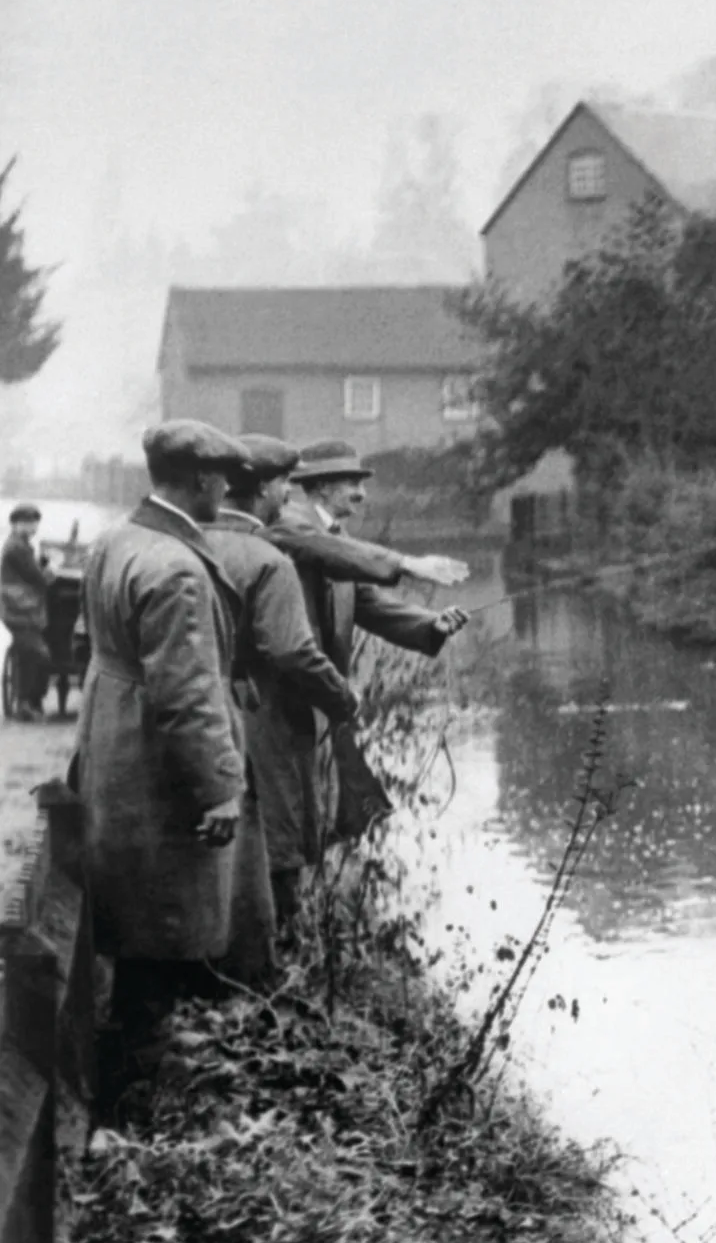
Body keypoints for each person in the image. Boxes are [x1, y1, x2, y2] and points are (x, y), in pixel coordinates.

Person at [77, 422, 252, 1118]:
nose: (228, 490)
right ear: (202, 480)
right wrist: (219, 787)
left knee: (133, 927)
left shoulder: (115, 539)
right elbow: (187, 693)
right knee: (159, 932)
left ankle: (123, 1085)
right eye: (223, 478)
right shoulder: (176, 567)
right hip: (154, 768)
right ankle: (132, 1104)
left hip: (113, 748)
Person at [200, 435, 361, 963]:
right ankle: (277, 957)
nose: (288, 493)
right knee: (279, 829)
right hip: (264, 712)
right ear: (265, 488)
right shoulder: (268, 558)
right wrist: (341, 696)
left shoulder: (185, 543)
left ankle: (214, 951)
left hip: (200, 713)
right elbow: (293, 650)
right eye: (284, 483)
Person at [265, 438, 467, 844]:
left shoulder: (336, 538)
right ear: (322, 486)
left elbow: (368, 604)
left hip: (323, 700)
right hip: (284, 702)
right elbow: (327, 550)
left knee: (341, 810)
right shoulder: (288, 524)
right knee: (295, 816)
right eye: (352, 484)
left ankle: (318, 873)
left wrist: (431, 625)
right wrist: (406, 563)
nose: (362, 494)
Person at [2, 503, 48, 719]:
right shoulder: (17, 548)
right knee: (37, 653)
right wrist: (49, 572)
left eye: (34, 523)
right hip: (19, 610)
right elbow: (38, 578)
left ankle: (31, 701)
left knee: (35, 652)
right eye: (27, 523)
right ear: (15, 524)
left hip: (20, 609)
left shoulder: (19, 545)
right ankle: (26, 703)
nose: (32, 527)